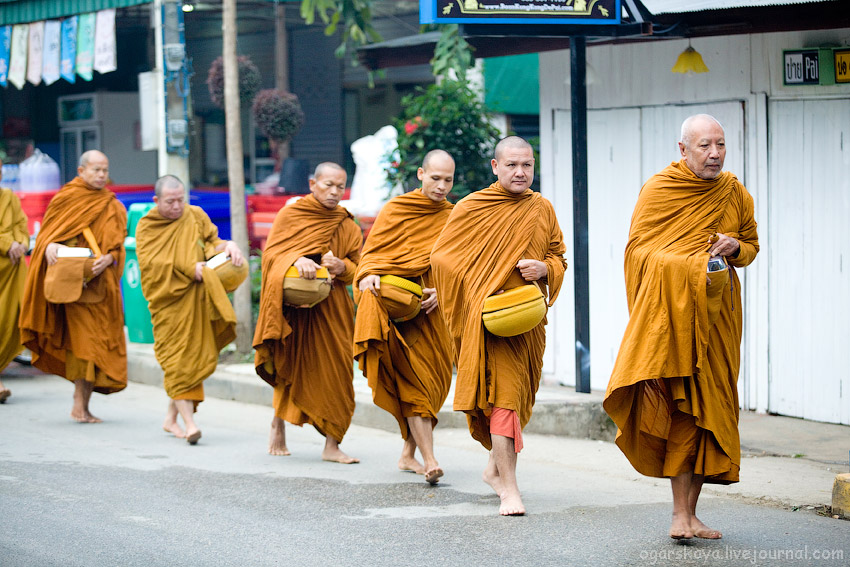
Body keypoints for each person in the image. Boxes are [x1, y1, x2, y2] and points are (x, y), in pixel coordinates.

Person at [603, 114, 759, 540]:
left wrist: (736, 246)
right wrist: (690, 265)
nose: (715, 154)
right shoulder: (658, 190)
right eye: (705, 145)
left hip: (719, 317)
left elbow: (751, 246)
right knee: (682, 412)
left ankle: (691, 514)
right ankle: (677, 514)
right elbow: (639, 254)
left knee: (714, 410)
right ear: (683, 149)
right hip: (674, 320)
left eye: (721, 145)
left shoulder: (734, 192)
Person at [431, 136, 567, 515]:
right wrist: (482, 286)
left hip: (526, 322)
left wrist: (545, 269)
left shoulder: (542, 209)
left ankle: (494, 469)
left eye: (527, 165)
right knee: (503, 403)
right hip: (488, 321)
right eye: (512, 165)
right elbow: (442, 259)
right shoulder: (473, 207)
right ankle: (509, 489)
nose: (520, 172)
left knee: (517, 401)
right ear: (495, 167)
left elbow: (558, 257)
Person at [354, 149, 455, 484]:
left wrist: (443, 292)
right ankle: (430, 459)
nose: (441, 186)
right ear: (421, 175)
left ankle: (408, 454)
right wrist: (367, 274)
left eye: (448, 180)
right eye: (436, 178)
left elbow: (460, 269)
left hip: (435, 314)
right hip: (400, 314)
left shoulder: (454, 217)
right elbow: (372, 254)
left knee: (434, 385)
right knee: (414, 387)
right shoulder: (397, 210)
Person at [254, 162, 362, 463]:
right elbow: (272, 256)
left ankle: (332, 443)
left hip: (333, 307)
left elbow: (359, 269)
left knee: (339, 371)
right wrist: (296, 258)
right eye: (328, 184)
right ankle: (278, 424)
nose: (334, 191)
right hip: (296, 310)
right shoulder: (292, 215)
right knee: (291, 362)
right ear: (313, 183)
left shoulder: (348, 225)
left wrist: (343, 267)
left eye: (340, 186)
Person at [19, 150, 127, 422]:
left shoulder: (111, 204)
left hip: (101, 286)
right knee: (84, 346)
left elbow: (117, 245)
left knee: (99, 345)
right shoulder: (67, 198)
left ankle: (84, 404)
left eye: (105, 170)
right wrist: (52, 246)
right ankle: (80, 405)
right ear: (81, 171)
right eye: (96, 170)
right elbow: (46, 238)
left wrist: (110, 258)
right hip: (75, 288)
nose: (102, 175)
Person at [135, 175, 244, 445]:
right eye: (170, 202)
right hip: (169, 302)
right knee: (176, 361)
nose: (176, 206)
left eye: (180, 200)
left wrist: (228, 245)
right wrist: (188, 268)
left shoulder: (194, 215)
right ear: (156, 201)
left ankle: (171, 419)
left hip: (197, 299)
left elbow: (211, 242)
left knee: (190, 360)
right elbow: (152, 264)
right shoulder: (147, 226)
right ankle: (190, 423)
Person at [0, 167, 29, 403]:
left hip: (11, 271)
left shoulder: (8, 197)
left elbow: (21, 224)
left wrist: (20, 242)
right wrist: (7, 243)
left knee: (9, 323)